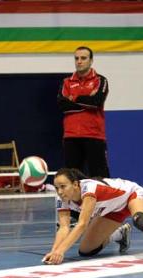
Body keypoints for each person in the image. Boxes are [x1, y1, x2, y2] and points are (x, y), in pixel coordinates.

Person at [42, 168, 143, 265]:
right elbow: (64, 228)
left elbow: (82, 224)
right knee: (86, 250)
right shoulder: (61, 198)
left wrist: (61, 251)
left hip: (132, 195)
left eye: (63, 186)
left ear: (76, 184)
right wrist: (54, 252)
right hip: (113, 210)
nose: (59, 191)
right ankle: (120, 233)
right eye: (56, 187)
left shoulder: (88, 190)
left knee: (139, 218)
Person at [57, 46, 110, 179]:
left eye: (83, 58)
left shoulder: (100, 80)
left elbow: (96, 102)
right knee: (73, 179)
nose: (79, 61)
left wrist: (73, 98)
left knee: (100, 177)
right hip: (71, 136)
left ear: (91, 61)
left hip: (94, 135)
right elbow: (63, 106)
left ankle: (104, 201)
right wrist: (87, 99)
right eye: (76, 58)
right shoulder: (66, 82)